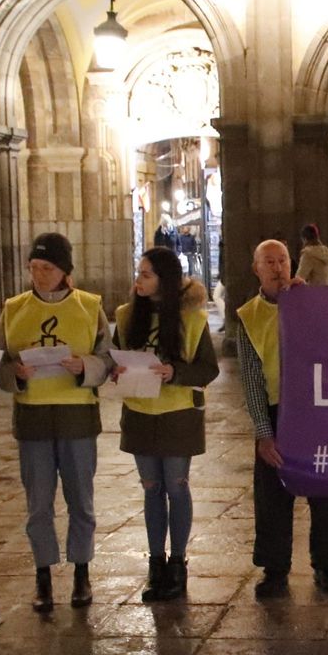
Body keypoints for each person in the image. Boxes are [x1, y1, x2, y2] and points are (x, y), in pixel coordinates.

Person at [0, 232, 112, 613]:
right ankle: (43, 575)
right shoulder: (13, 309)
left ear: (64, 271)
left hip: (77, 418)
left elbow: (107, 358)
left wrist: (85, 367)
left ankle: (81, 572)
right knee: (38, 504)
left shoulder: (89, 307)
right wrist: (15, 373)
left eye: (47, 268)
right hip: (33, 419)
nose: (39, 275)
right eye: (34, 267)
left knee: (81, 500)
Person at [236, 239, 328, 599]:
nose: (277, 267)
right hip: (276, 410)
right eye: (269, 262)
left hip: (314, 412)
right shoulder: (249, 316)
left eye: (282, 260)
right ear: (256, 269)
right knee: (272, 496)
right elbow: (252, 378)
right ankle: (274, 569)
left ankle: (326, 563)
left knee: (324, 491)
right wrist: (263, 431)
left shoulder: (310, 304)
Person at [112, 247, 220, 602]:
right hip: (140, 413)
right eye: (138, 273)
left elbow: (208, 368)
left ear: (165, 280)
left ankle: (178, 564)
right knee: (151, 488)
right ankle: (155, 563)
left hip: (178, 415)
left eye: (146, 275)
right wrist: (116, 370)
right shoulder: (127, 316)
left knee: (177, 486)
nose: (138, 281)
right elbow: (114, 359)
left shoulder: (192, 319)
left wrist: (175, 372)